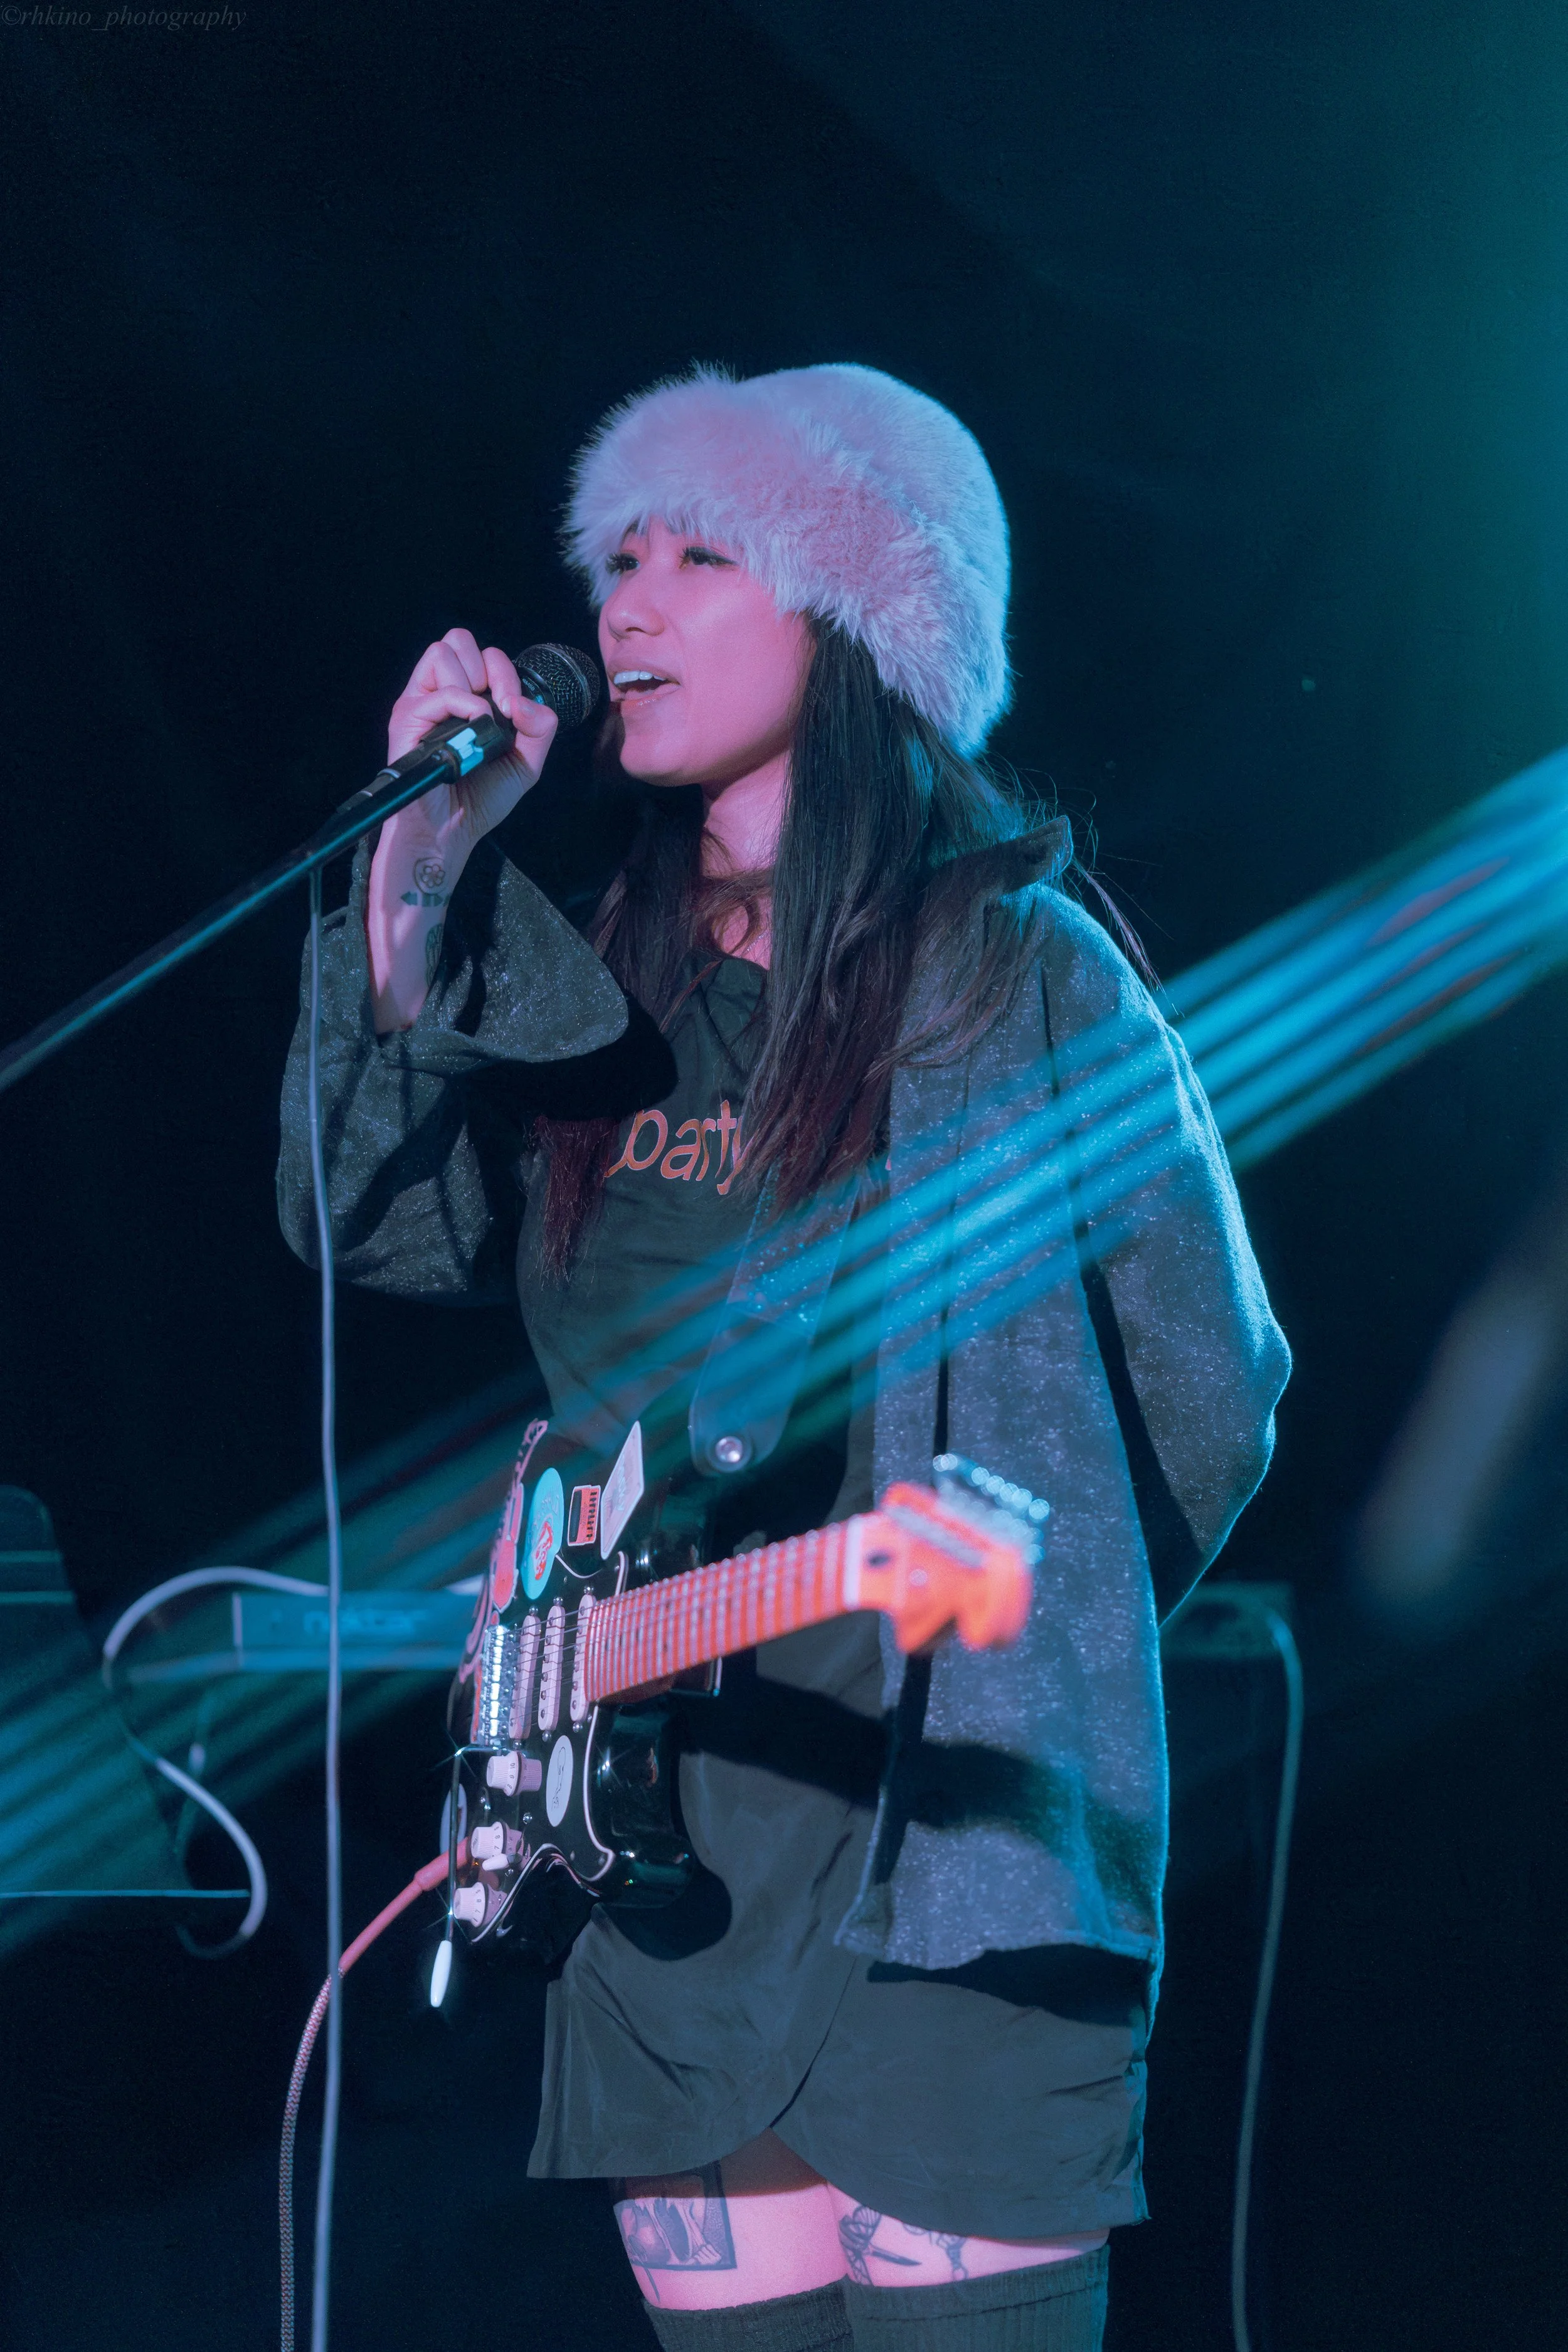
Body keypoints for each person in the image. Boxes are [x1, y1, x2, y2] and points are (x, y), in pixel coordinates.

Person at [278, 363, 1290, 2352]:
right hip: (664, 1869)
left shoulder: (1018, 973)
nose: (626, 606)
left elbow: (1210, 1378)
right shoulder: (596, 996)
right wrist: (416, 875)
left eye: (699, 554)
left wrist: (1036, 1632)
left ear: (859, 616)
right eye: (618, 555)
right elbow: (367, 1212)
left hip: (953, 1864)